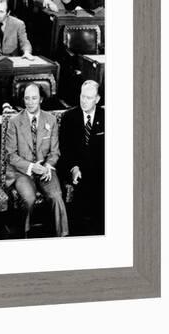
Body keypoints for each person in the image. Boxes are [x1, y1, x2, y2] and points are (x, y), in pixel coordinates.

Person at [5, 83, 69, 237]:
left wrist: (47, 166)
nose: (30, 102)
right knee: (29, 198)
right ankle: (24, 235)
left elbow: (55, 152)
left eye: (34, 98)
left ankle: (63, 236)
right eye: (27, 98)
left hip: (45, 170)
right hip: (22, 172)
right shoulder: (14, 122)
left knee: (56, 196)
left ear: (41, 99)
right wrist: (32, 167)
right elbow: (11, 155)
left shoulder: (51, 120)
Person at [59, 80, 104, 235]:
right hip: (75, 166)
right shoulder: (68, 117)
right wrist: (74, 167)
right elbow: (64, 149)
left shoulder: (107, 118)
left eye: (89, 98)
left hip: (99, 168)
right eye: (82, 96)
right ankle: (81, 231)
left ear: (97, 99)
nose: (84, 101)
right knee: (84, 187)